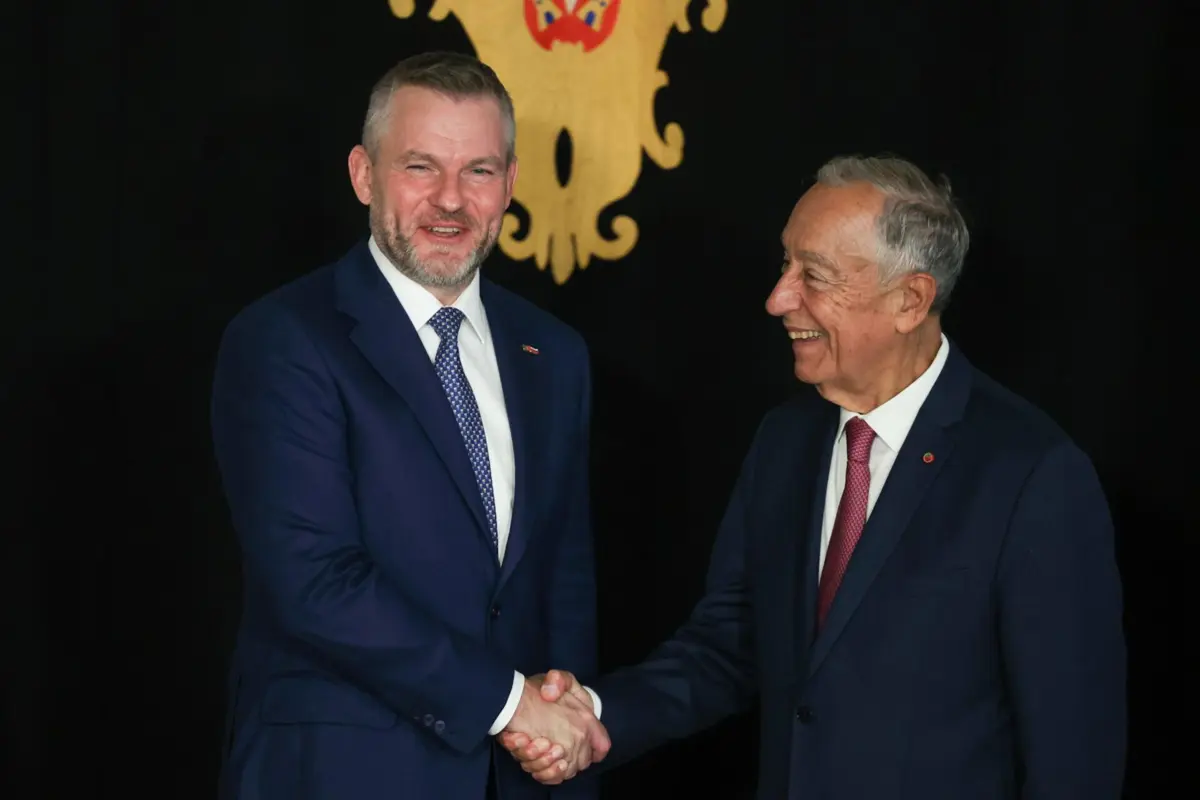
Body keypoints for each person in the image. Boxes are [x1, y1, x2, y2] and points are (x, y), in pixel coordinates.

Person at [501, 155, 1128, 799]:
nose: (778, 299)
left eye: (815, 276)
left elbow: (1073, 757)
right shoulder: (786, 440)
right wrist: (599, 719)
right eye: (785, 265)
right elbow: (732, 644)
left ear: (910, 300)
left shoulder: (1032, 474)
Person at [210, 51, 609, 800]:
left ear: (512, 183)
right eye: (421, 167)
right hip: (341, 775)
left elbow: (564, 578)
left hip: (523, 776)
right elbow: (315, 581)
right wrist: (509, 703)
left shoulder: (553, 353)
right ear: (364, 175)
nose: (451, 201)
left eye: (480, 172)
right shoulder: (284, 338)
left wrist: (565, 735)